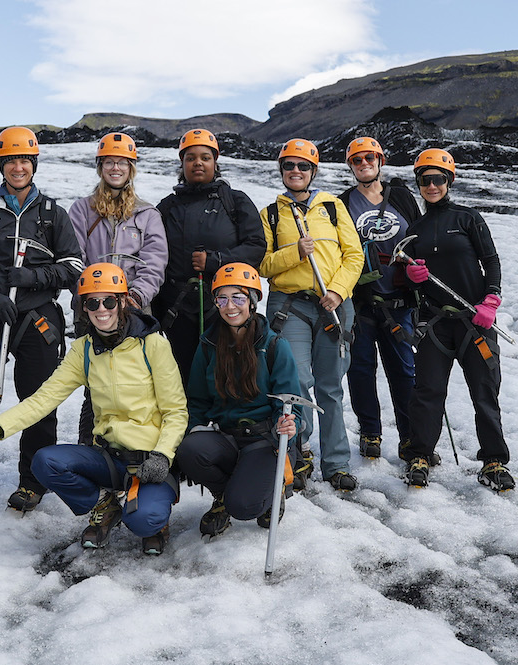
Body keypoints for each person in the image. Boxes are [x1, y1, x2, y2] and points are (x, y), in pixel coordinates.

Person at [0, 264, 187, 554]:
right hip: (108, 458)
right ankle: (105, 504)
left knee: (142, 522)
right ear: (83, 307)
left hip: (150, 462)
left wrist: (162, 456)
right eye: (92, 302)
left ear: (123, 301)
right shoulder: (84, 349)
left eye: (109, 300)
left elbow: (176, 412)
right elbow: (44, 399)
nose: (102, 309)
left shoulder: (152, 345)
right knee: (45, 461)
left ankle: (156, 518)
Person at [0, 127, 84, 512]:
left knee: (39, 400)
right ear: (1, 164)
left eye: (24, 160)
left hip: (37, 318)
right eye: (10, 160)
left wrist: (35, 278)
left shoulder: (52, 214)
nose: (17, 167)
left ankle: (33, 481)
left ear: (34, 164)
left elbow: (73, 264)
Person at [400, 149, 514, 491]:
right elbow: (411, 278)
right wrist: (412, 276)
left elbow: (491, 261)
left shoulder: (468, 218)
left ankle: (493, 461)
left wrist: (491, 299)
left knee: (484, 392)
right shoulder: (416, 228)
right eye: (425, 180)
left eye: (438, 179)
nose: (432, 185)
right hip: (436, 324)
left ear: (449, 181)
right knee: (427, 392)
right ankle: (420, 455)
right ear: (418, 183)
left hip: (474, 322)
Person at [259, 139, 364, 492]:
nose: (296, 172)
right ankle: (300, 453)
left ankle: (336, 463)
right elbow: (263, 264)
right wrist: (295, 253)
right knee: (296, 382)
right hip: (290, 307)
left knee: (331, 387)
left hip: (332, 305)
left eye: (303, 166)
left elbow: (354, 255)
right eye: (289, 166)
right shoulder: (272, 213)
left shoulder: (332, 207)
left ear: (313, 171)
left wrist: (337, 291)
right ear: (282, 171)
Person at [174, 263, 302, 536]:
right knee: (189, 450)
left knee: (244, 506)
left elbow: (290, 403)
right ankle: (223, 494)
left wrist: (288, 427)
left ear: (253, 302)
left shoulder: (275, 345)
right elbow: (196, 399)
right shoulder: (208, 344)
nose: (229, 306)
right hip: (228, 436)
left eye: (238, 298)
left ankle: (270, 488)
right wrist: (192, 431)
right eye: (222, 298)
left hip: (263, 439)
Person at [67, 132, 167, 446]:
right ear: (100, 166)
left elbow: (155, 260)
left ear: (131, 168)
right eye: (109, 161)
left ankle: (132, 451)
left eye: (122, 162)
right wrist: (95, 298)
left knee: (135, 382)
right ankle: (91, 450)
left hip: (135, 308)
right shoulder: (82, 210)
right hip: (93, 308)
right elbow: (74, 256)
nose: (115, 168)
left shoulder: (147, 214)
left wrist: (135, 297)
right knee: (95, 385)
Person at [153, 129, 265, 388]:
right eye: (190, 158)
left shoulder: (234, 201)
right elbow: (153, 254)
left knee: (228, 371)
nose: (198, 163)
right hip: (177, 309)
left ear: (216, 162)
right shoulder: (167, 207)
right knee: (183, 375)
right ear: (182, 164)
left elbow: (256, 247)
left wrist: (215, 261)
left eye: (205, 157)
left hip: (226, 307)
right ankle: (188, 426)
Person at [337, 137, 422, 461]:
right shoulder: (343, 202)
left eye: (369, 157)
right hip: (361, 303)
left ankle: (409, 437)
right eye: (357, 160)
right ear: (351, 165)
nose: (364, 164)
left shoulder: (400, 196)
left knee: (404, 371)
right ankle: (370, 432)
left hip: (399, 300)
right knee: (360, 370)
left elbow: (419, 234)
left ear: (380, 160)